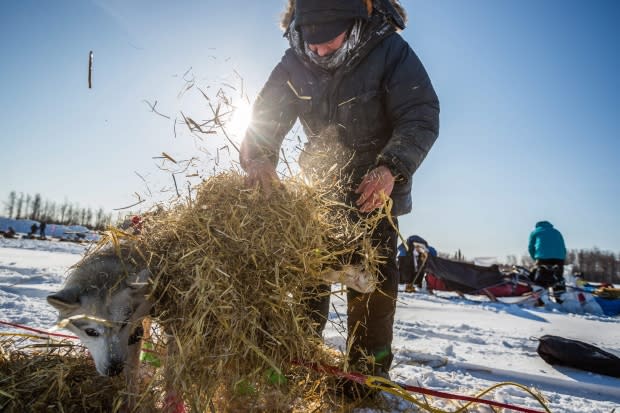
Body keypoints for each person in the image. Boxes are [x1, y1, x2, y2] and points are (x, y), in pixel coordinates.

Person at [239, 0, 439, 397]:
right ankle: (297, 357)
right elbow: (265, 115)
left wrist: (390, 168)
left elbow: (420, 114)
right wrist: (260, 159)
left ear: (355, 23)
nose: (318, 50)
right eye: (311, 42)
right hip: (319, 191)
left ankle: (364, 380)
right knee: (307, 277)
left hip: (375, 191)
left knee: (372, 287)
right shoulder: (296, 59)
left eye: (328, 42)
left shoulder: (389, 51)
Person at [528, 221, 567, 302]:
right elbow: (563, 247)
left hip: (543, 258)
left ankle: (540, 300)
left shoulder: (535, 232)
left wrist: (535, 259)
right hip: (559, 258)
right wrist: (561, 259)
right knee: (558, 278)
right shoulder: (557, 232)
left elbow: (531, 248)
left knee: (541, 279)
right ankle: (560, 299)